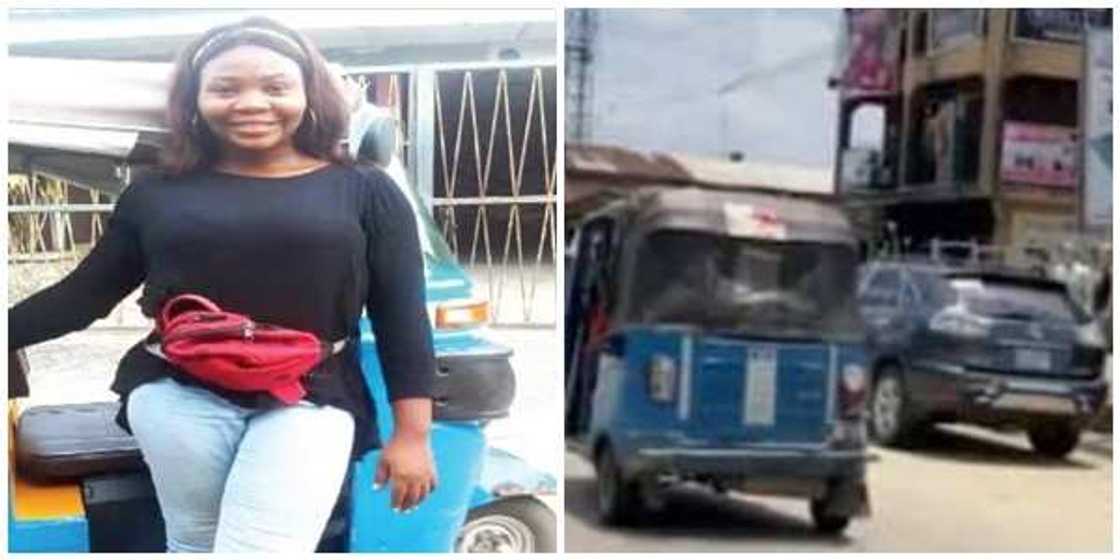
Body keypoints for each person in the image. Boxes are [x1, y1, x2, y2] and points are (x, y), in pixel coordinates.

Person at [8, 17, 437, 552]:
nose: (251, 103)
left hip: (310, 396)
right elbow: (85, 296)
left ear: (309, 94)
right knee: (193, 544)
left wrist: (413, 435)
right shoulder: (156, 194)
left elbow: (403, 318)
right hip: (176, 392)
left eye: (275, 86)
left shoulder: (365, 190)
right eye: (225, 88)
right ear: (195, 100)